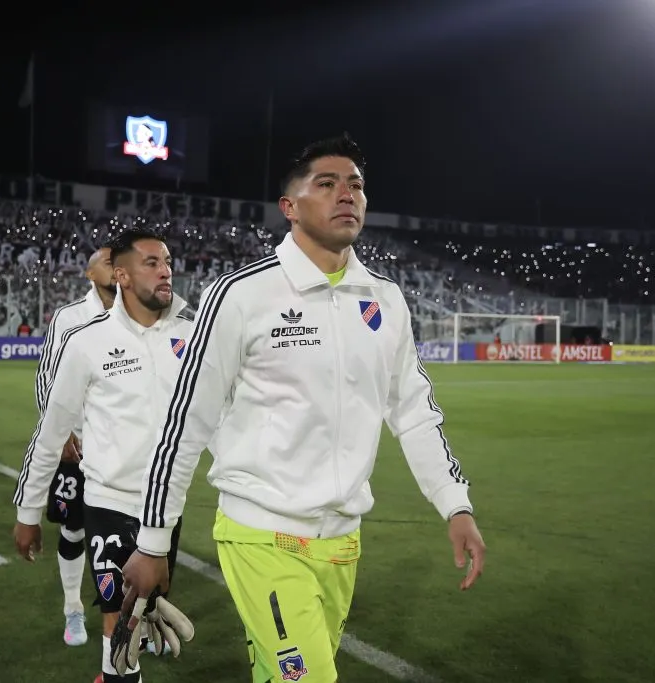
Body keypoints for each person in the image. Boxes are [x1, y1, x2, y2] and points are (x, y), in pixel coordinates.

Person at [118, 134, 487, 682]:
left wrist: (455, 504)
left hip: (342, 543)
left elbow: (414, 411)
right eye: (328, 183)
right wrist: (152, 541)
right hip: (260, 535)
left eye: (356, 185)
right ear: (289, 208)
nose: (347, 194)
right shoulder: (242, 296)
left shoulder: (385, 300)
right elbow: (186, 422)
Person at [13, 229, 194, 683]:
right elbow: (51, 431)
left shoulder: (192, 336)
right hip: (109, 502)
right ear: (123, 275)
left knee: (144, 612)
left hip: (166, 508)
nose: (165, 268)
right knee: (119, 621)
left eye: (167, 260)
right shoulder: (86, 341)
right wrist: (29, 510)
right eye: (151, 262)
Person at [34, 245, 117, 648]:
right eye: (106, 260)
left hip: (123, 449)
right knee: (73, 528)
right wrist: (61, 431)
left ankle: (134, 619)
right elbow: (46, 376)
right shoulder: (70, 317)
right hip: (80, 446)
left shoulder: (137, 312)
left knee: (125, 537)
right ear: (88, 273)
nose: (115, 266)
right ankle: (73, 609)